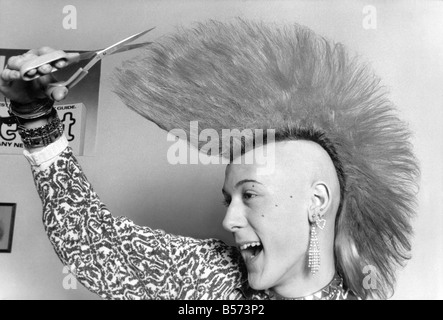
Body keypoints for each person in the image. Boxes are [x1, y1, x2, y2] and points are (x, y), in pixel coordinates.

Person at [0, 19, 419, 300]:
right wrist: (33, 114)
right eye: (228, 199)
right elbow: (93, 244)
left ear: (317, 202)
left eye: (250, 195)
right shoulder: (207, 277)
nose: (229, 220)